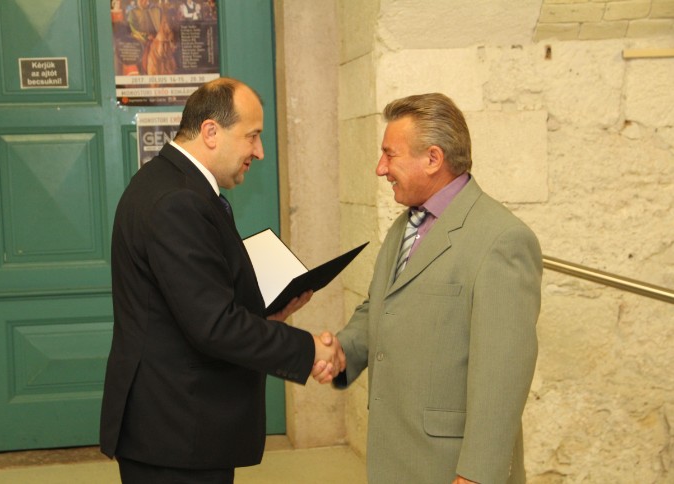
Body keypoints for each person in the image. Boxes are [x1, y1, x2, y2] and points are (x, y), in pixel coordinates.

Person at [100, 77, 343, 483]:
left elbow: (188, 305)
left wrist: (266, 318)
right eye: (252, 136)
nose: (259, 152)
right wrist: (309, 348)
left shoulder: (172, 183)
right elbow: (212, 325)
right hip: (176, 432)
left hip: (177, 426)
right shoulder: (177, 201)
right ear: (211, 132)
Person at [322, 93, 542, 483]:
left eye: (390, 155)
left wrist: (476, 474)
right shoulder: (406, 224)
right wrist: (343, 351)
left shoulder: (503, 239)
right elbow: (383, 306)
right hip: (396, 457)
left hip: (451, 467)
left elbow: (503, 376)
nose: (380, 168)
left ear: (433, 159)